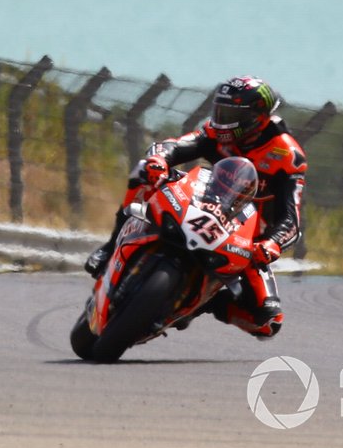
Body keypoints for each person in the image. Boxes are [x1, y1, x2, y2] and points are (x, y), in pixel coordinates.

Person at [85, 76, 306, 339]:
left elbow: (291, 219)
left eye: (231, 113)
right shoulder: (216, 131)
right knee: (145, 170)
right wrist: (160, 158)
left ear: (257, 117)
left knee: (268, 322)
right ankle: (110, 247)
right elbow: (176, 146)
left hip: (247, 237)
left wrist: (272, 244)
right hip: (200, 199)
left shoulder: (286, 156)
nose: (221, 119)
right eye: (220, 110)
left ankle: (207, 303)